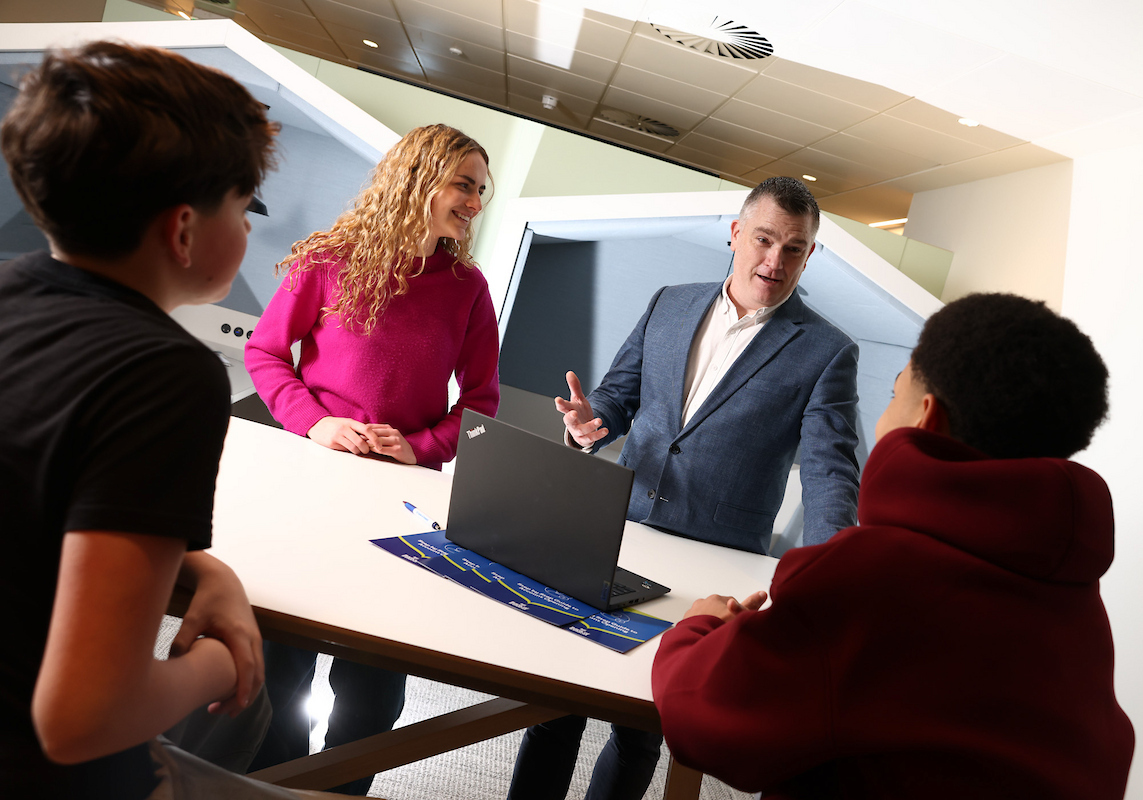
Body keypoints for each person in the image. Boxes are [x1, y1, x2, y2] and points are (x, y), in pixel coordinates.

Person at [0, 40, 340, 799]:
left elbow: (30, 496)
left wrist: (201, 564)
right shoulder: (164, 374)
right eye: (242, 206)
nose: (251, 231)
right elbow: (82, 718)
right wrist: (222, 662)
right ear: (183, 230)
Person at [651, 293, 1136, 799]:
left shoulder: (869, 576)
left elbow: (703, 717)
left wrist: (699, 626)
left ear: (926, 417)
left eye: (892, 394)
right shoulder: (1075, 603)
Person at [507, 176, 861, 800]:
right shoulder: (670, 302)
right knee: (557, 700)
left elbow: (831, 467)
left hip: (712, 563)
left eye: (795, 249)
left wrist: (833, 568)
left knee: (644, 723)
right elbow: (619, 396)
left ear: (811, 254)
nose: (775, 261)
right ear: (735, 235)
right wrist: (592, 424)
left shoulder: (828, 351)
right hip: (620, 531)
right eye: (764, 239)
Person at [243, 123, 501, 794]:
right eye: (463, 186)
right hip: (312, 488)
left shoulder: (468, 288)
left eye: (480, 191)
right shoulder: (329, 259)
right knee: (280, 671)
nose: (475, 204)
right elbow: (266, 354)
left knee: (375, 693)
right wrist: (317, 424)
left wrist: (418, 447)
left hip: (401, 509)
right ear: (418, 179)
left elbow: (480, 405)